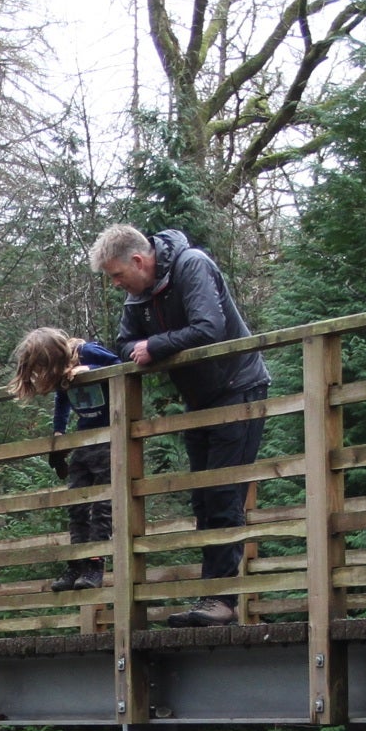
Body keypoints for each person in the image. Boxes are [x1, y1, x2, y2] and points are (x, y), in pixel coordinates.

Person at [90, 224, 272, 629]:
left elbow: (210, 327)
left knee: (224, 495)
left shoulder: (192, 265)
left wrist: (154, 346)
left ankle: (221, 600)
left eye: (118, 275)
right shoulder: (137, 296)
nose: (117, 285)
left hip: (238, 387)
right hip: (199, 400)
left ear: (139, 261)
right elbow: (124, 342)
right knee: (203, 500)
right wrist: (143, 347)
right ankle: (213, 599)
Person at [9, 327, 123, 591]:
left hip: (109, 437)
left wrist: (91, 370)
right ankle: (76, 565)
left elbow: (121, 365)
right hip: (83, 440)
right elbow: (62, 401)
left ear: (55, 356)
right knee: (76, 503)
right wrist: (59, 433)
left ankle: (95, 564)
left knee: (103, 505)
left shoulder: (86, 352)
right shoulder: (62, 374)